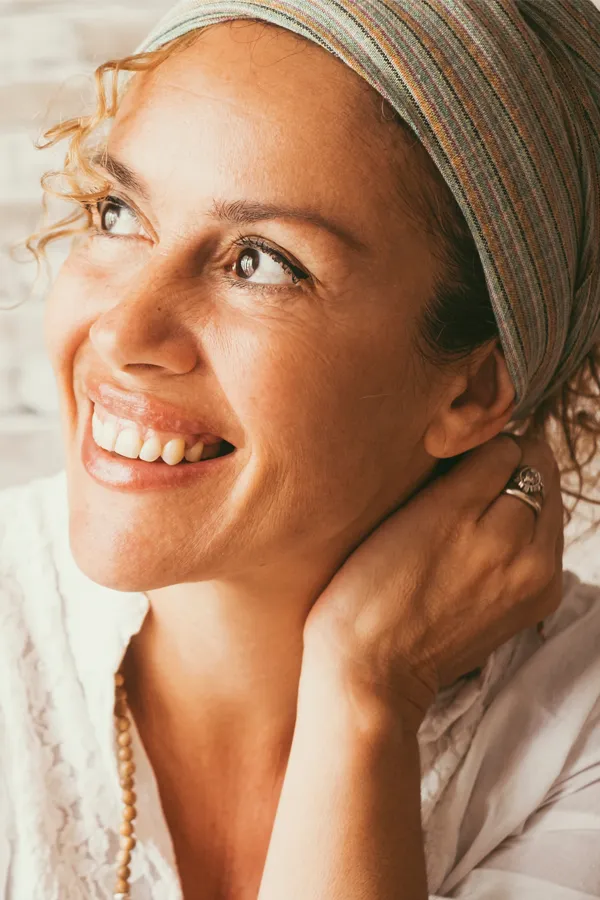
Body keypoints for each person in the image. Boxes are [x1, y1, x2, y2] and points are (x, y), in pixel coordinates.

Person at [1, 0, 600, 897]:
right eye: (120, 212)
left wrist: (367, 694)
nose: (124, 330)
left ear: (472, 390)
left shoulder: (576, 737)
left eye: (262, 262)